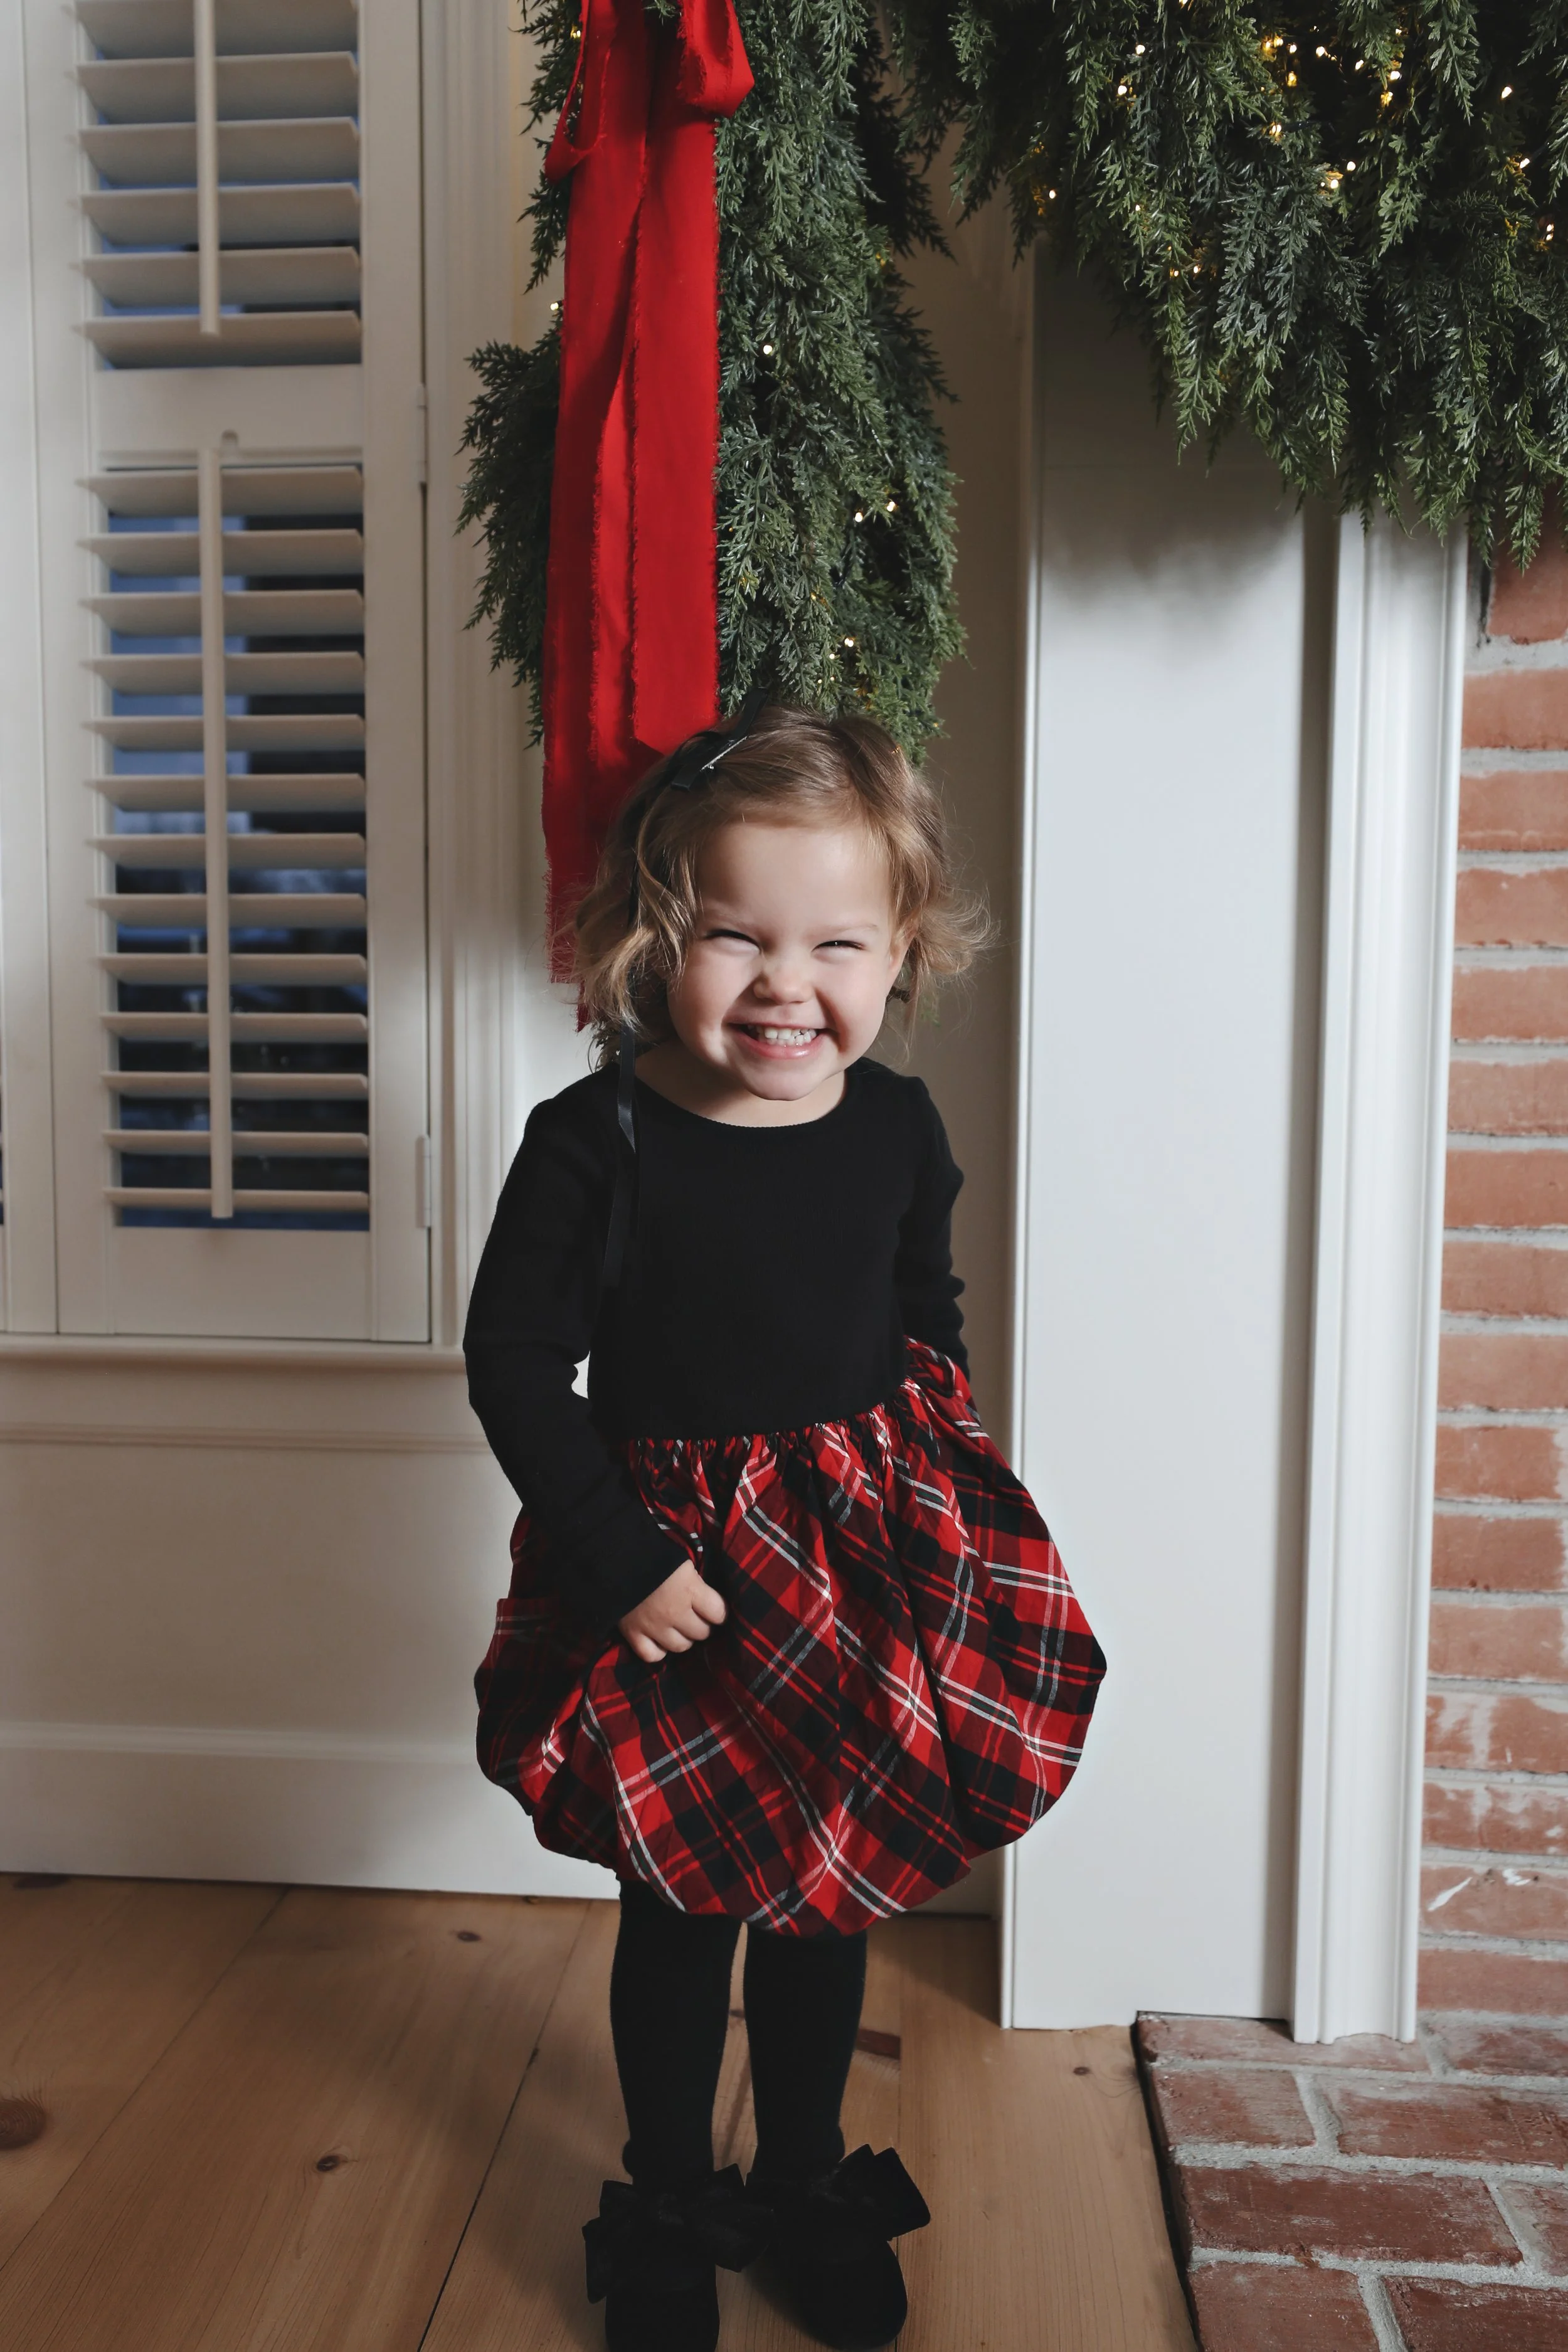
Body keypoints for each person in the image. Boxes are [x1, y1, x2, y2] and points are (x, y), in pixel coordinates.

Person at [464, 703, 1105, 2352]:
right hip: (669, 1578)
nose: (780, 982)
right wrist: (621, 1558)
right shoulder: (592, 1140)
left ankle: (805, 2170)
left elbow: (921, 1319)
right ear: (650, 935)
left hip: (853, 1576)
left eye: (834, 941)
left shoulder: (896, 1129)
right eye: (732, 936)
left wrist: (942, 1511)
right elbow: (517, 1361)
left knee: (834, 1898)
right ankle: (671, 2190)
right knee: (678, 1911)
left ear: (902, 948)